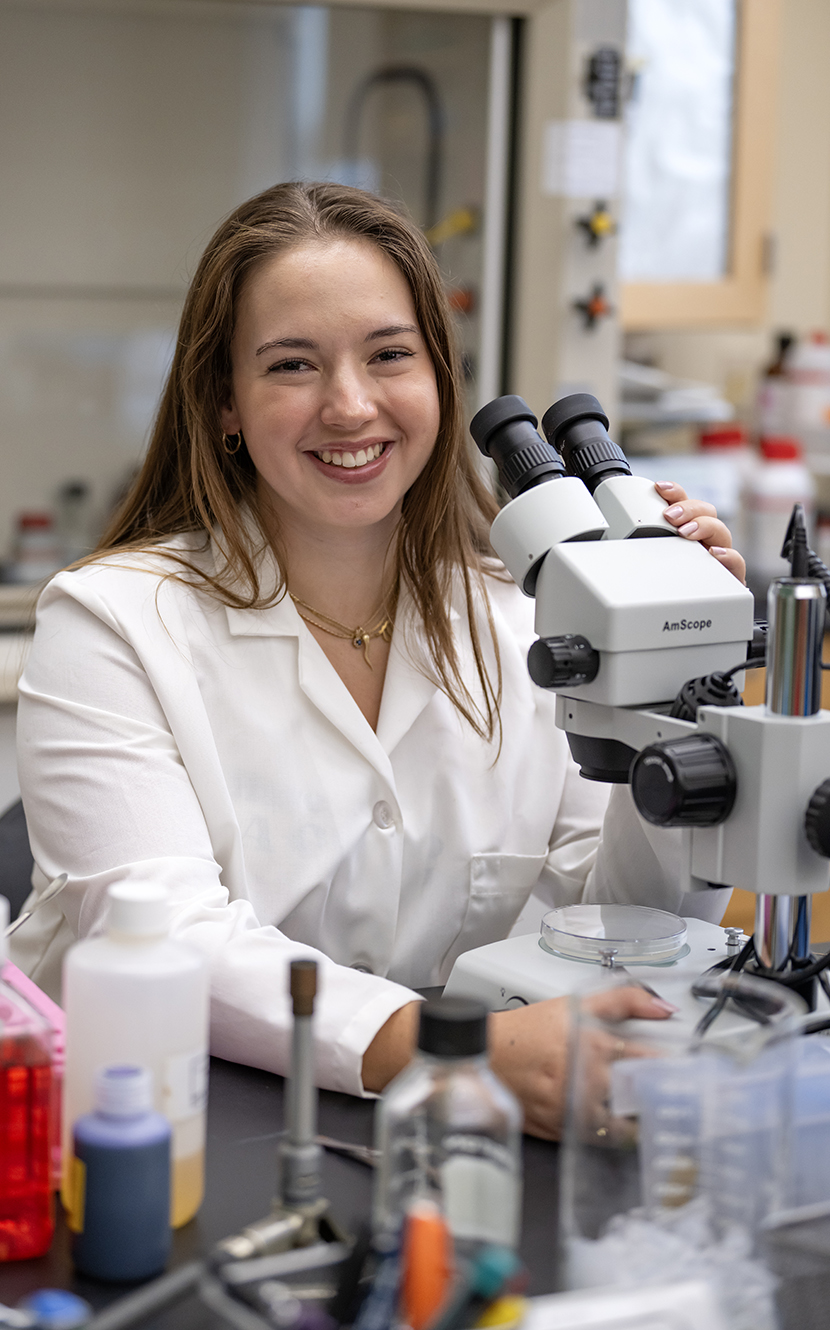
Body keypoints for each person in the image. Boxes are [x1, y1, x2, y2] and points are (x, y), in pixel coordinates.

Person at [12, 183, 745, 1139]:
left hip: (439, 1136)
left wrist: (672, 685)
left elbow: (610, 921)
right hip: (161, 1136)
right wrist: (449, 1046)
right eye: (292, 366)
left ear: (439, 378)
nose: (350, 406)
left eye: (390, 355)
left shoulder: (529, 616)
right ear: (225, 403)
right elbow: (163, 941)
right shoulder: (110, 624)